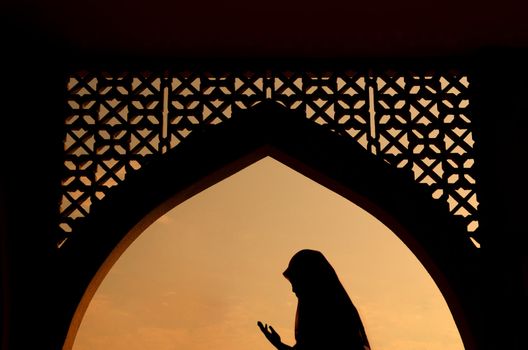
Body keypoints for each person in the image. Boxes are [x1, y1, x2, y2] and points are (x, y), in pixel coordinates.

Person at [258, 249, 371, 350]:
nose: (293, 289)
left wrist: (279, 345)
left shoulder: (337, 312)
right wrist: (278, 344)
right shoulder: (316, 312)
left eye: (296, 282)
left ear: (309, 279)